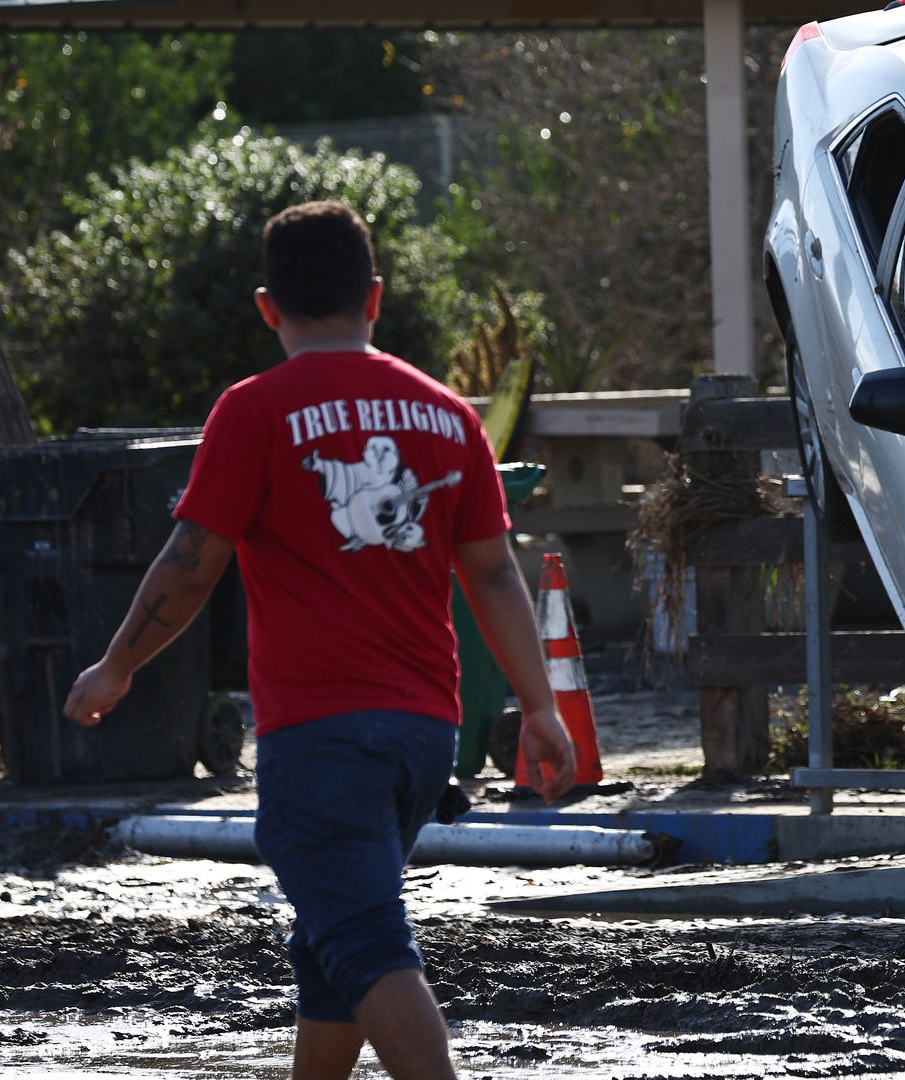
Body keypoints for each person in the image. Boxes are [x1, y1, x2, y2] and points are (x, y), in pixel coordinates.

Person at [63, 200, 576, 1080]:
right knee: (331, 945)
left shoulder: (254, 410)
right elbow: (493, 573)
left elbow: (191, 567)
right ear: (374, 296)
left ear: (268, 308)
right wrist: (540, 706)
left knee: (365, 941)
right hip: (424, 735)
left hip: (320, 738)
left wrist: (118, 665)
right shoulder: (448, 415)